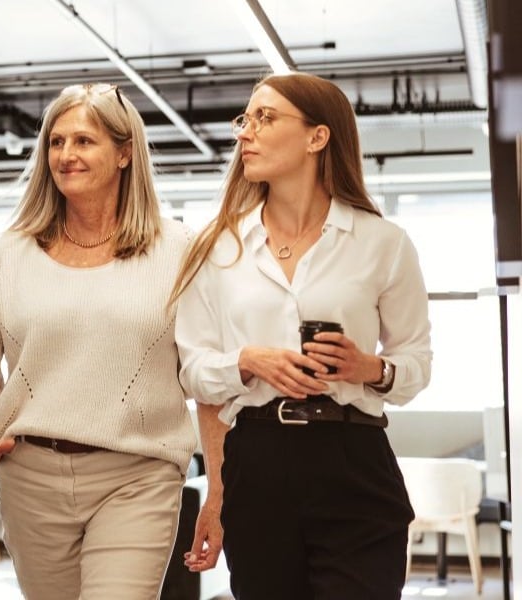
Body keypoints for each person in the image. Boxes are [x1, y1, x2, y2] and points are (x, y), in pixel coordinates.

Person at [173, 72, 432, 599]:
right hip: (257, 463)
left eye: (265, 118)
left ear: (317, 137)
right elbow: (193, 372)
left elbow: (417, 362)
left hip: (355, 458)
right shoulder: (218, 247)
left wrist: (370, 368)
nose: (245, 132)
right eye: (245, 119)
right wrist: (247, 361)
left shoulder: (383, 242)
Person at [0, 83, 196, 599]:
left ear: (125, 152)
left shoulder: (176, 249)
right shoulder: (12, 253)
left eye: (84, 141)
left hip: (138, 475)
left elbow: (205, 367)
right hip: (30, 478)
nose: (66, 155)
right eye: (56, 142)